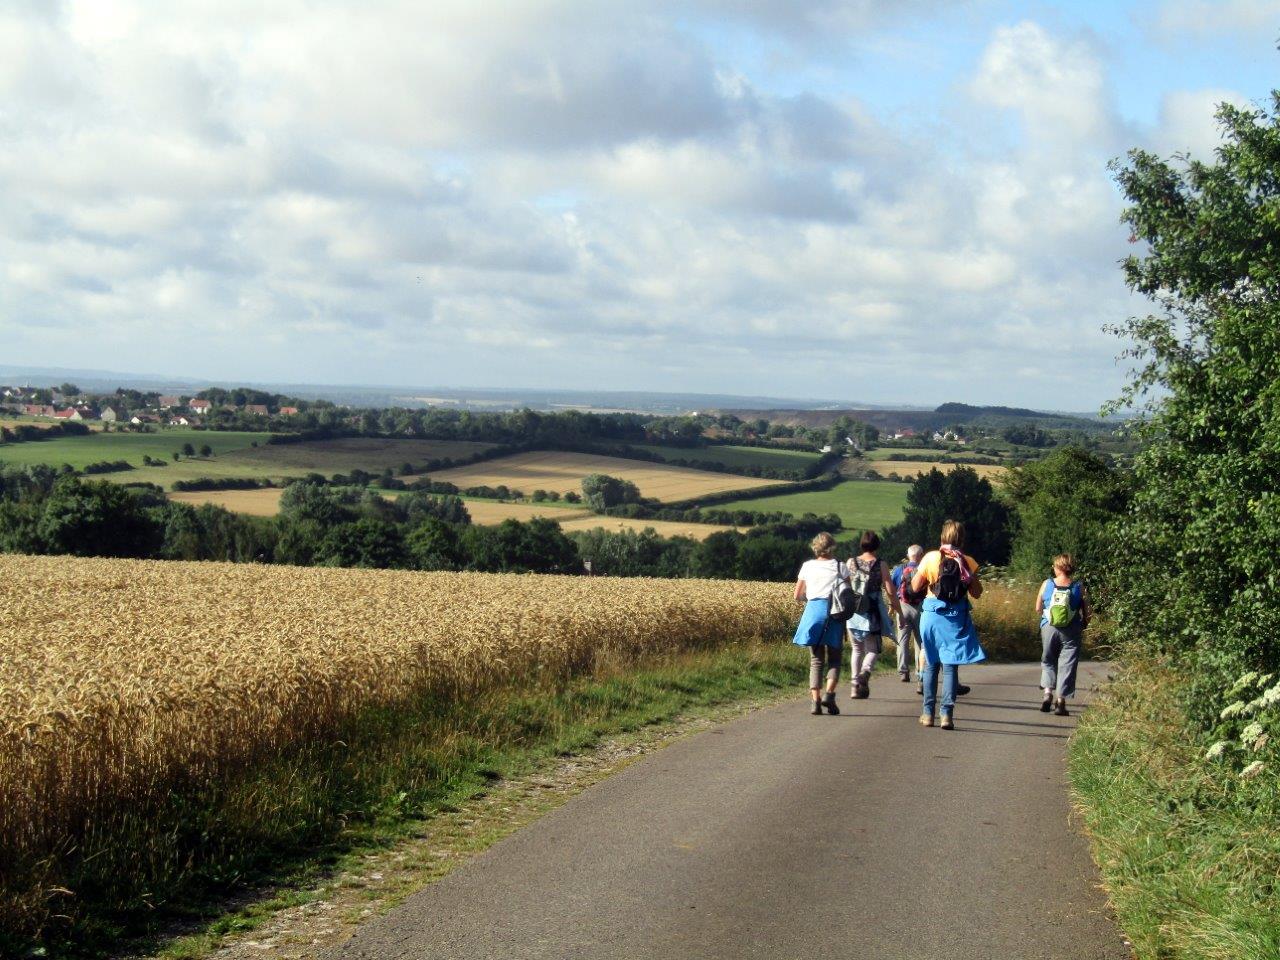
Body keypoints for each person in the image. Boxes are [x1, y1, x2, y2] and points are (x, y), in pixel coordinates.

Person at [911, 519, 985, 730]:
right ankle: (946, 715)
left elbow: (916, 587)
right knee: (951, 667)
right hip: (955, 617)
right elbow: (977, 593)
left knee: (931, 664)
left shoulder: (931, 557)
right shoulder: (968, 561)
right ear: (961, 538)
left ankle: (927, 713)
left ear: (943, 536)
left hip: (931, 615)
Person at [792, 532, 847, 715]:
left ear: (816, 546)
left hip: (813, 612)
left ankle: (815, 701)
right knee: (835, 658)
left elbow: (797, 595)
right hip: (834, 613)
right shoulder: (841, 566)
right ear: (833, 547)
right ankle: (829, 695)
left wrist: (811, 595)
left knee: (816, 659)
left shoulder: (807, 566)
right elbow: (848, 593)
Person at [1035, 553, 1091, 717]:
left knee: (1048, 660)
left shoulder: (1047, 584)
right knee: (1068, 664)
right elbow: (1088, 612)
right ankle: (1060, 702)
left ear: (1058, 567)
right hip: (1071, 629)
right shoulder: (1079, 587)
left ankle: (1047, 694)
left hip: (1049, 627)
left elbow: (1038, 608)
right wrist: (1083, 624)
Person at [847, 530, 899, 699]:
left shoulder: (851, 562)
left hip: (854, 611)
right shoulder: (881, 564)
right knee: (873, 649)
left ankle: (855, 688)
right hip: (872, 611)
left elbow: (845, 587)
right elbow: (890, 590)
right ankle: (865, 672)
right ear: (877, 545)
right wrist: (897, 608)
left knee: (856, 649)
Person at [889, 544, 926, 683]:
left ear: (908, 555)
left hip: (903, 607)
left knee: (902, 641)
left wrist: (892, 608)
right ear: (921, 555)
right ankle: (919, 670)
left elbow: (892, 590)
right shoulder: (924, 569)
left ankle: (903, 671)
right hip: (921, 607)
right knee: (920, 641)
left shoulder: (899, 570)